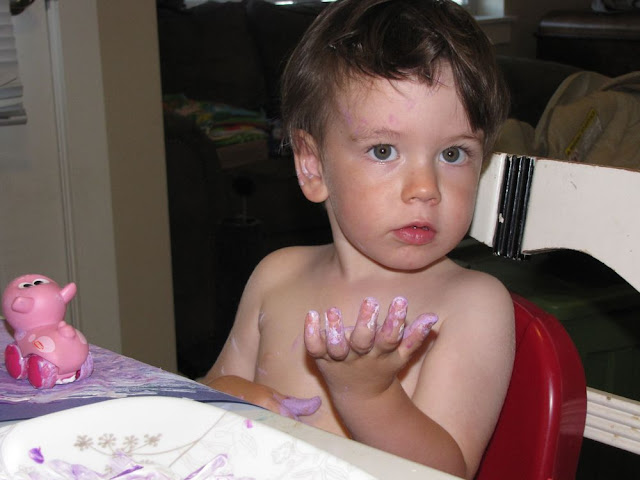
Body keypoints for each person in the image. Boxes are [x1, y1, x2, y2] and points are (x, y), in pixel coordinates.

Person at [203, 0, 515, 477]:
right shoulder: (276, 276)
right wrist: (235, 398)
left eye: (453, 154)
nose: (425, 188)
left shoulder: (472, 305)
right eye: (384, 150)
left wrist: (368, 395)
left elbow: (446, 474)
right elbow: (210, 389)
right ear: (313, 165)